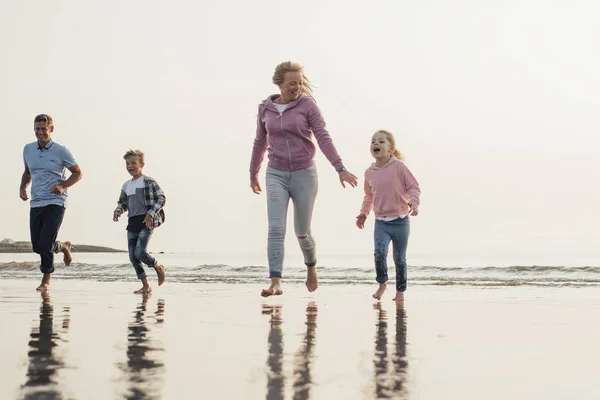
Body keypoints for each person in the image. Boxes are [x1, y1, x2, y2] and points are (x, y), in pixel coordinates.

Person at [249, 61, 358, 297]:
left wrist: (340, 168)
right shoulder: (264, 109)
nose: (297, 87)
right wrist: (253, 173)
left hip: (304, 173)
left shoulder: (307, 106)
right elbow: (260, 142)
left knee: (302, 231)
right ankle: (276, 281)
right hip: (275, 173)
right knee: (276, 228)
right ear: (279, 84)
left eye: (300, 82)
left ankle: (311, 268)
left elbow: (323, 137)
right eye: (292, 83)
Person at [356, 130, 421, 302]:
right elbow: (369, 196)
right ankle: (382, 284)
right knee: (379, 252)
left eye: (381, 141)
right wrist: (363, 213)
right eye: (373, 141)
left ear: (391, 149)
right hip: (381, 222)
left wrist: (414, 203)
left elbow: (414, 187)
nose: (376, 144)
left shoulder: (398, 167)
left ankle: (400, 291)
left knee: (399, 259)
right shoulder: (369, 172)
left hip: (401, 221)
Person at [20, 114, 83, 292]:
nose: (40, 133)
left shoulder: (61, 151)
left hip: (56, 201)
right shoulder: (28, 149)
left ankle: (46, 279)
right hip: (36, 202)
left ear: (51, 129)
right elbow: (27, 172)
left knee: (46, 243)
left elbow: (77, 173)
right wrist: (23, 187)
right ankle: (63, 246)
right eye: (37, 129)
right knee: (37, 246)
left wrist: (63, 185)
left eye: (43, 129)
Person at [113, 149, 166, 294]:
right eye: (127, 163)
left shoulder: (148, 181)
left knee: (140, 252)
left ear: (141, 164)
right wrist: (118, 210)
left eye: (133, 163)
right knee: (132, 256)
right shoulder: (126, 185)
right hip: (132, 222)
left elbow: (161, 198)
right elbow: (123, 203)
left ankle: (157, 266)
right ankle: (146, 285)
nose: (130, 166)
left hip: (146, 221)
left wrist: (150, 214)